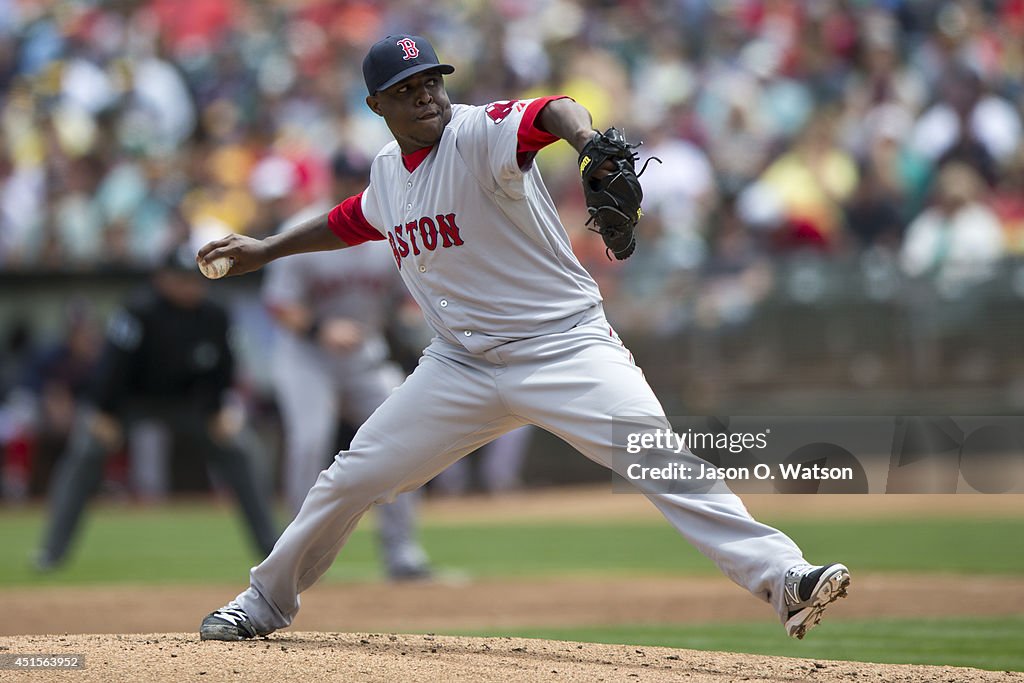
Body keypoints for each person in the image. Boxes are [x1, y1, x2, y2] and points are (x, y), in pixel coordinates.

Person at [197, 34, 849, 642]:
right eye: (407, 87)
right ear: (377, 104)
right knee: (351, 477)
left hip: (564, 346)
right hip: (459, 366)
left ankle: (783, 578)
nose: (426, 93)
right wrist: (268, 248)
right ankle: (266, 601)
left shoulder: (478, 133)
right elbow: (352, 219)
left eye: (431, 79)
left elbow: (554, 110)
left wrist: (588, 139)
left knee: (658, 456)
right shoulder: (389, 173)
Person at [35, 246, 279, 570]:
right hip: (131, 403)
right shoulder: (139, 310)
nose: (189, 287)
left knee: (241, 450)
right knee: (86, 449)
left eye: (195, 280)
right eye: (180, 280)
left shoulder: (215, 314)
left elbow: (224, 368)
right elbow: (113, 366)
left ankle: (273, 552)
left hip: (191, 405)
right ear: (162, 280)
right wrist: (104, 413)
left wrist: (220, 409)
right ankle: (52, 553)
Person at [263, 152, 431, 579]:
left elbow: (404, 297)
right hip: (307, 356)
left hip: (363, 354)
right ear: (331, 180)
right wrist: (321, 327)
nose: (354, 183)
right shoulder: (302, 228)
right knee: (309, 440)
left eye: (360, 177)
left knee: (403, 434)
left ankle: (402, 551)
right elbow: (280, 304)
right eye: (347, 177)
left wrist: (412, 316)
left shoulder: (390, 225)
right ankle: (294, 556)